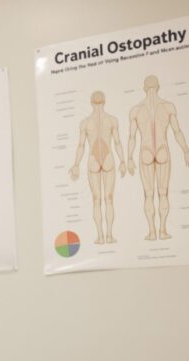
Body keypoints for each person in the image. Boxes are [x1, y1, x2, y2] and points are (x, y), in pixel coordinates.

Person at [126, 75, 189, 241]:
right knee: (164, 193)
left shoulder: (136, 110)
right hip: (162, 149)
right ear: (158, 87)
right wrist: (186, 150)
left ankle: (152, 232)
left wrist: (129, 157)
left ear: (144, 88)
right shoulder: (168, 106)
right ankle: (163, 231)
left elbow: (132, 137)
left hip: (145, 151)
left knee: (148, 194)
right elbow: (177, 131)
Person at [68, 90, 126, 245]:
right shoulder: (112, 120)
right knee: (108, 199)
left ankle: (101, 236)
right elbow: (118, 142)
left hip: (93, 159)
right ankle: (109, 235)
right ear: (104, 102)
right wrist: (122, 161)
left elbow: (81, 145)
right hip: (108, 158)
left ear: (91, 103)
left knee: (97, 200)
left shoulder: (85, 122)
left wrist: (76, 165)